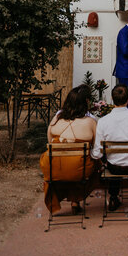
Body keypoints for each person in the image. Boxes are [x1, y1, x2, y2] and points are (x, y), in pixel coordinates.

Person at [40, 86, 99, 215]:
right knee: (91, 165)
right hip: (80, 171)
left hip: (54, 170)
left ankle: (62, 201)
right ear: (86, 102)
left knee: (66, 164)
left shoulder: (56, 120)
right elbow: (96, 147)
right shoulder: (91, 122)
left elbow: (50, 142)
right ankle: (76, 200)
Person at [92, 84, 128, 211]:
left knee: (113, 160)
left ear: (112, 100)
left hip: (114, 167)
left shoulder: (103, 121)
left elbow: (97, 153)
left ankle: (113, 198)